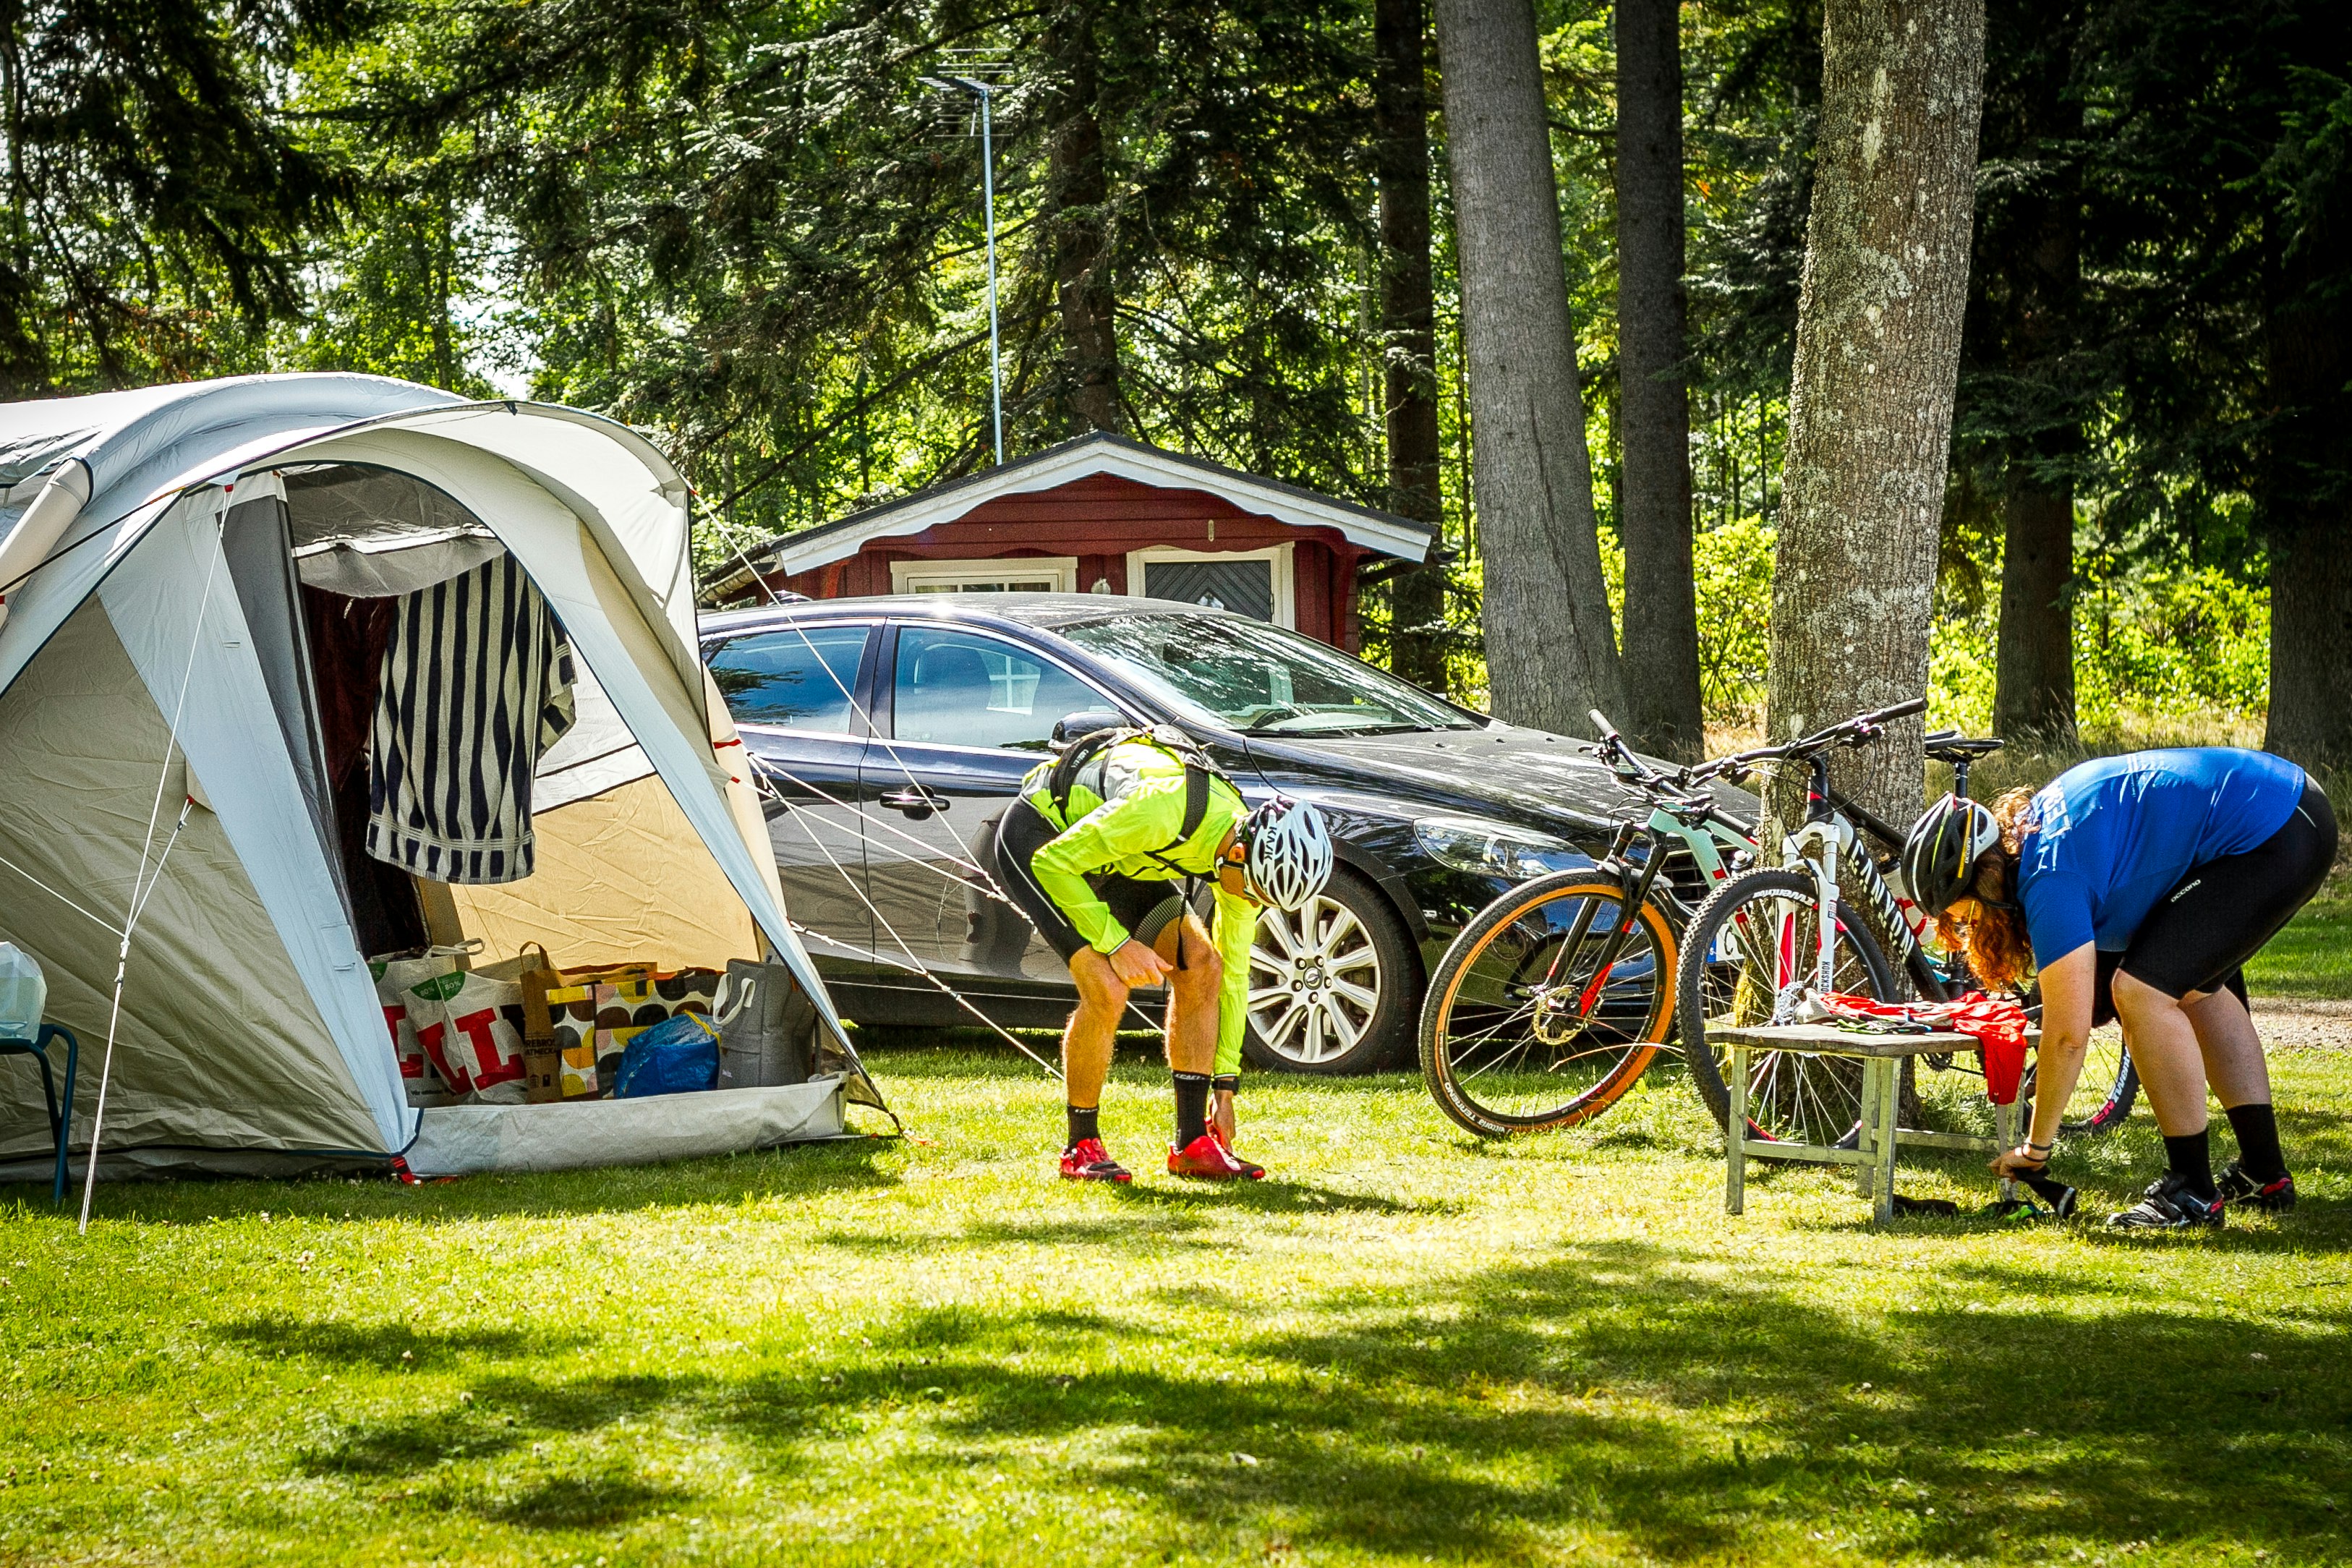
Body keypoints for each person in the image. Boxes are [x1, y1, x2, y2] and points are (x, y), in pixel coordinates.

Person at [1904, 748, 2335, 1229]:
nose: (1970, 930)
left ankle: (2190, 1191)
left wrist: (2037, 1147)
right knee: (2194, 991)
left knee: (2142, 991)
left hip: (2273, 829)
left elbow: (2067, 1035)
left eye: (1966, 916)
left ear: (1985, 881)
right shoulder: (2034, 836)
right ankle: (2264, 1173)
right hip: (2289, 808)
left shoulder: (2049, 877)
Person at [991, 725, 1334, 1183]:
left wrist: (1226, 1088)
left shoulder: (1240, 864)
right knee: (1107, 986)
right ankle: (1080, 1147)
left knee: (1204, 967)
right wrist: (1116, 943)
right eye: (1256, 892)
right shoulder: (1160, 811)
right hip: (1044, 839)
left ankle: (1193, 1142)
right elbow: (1054, 863)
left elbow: (1231, 975)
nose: (1255, 905)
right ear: (1237, 852)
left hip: (1119, 855)